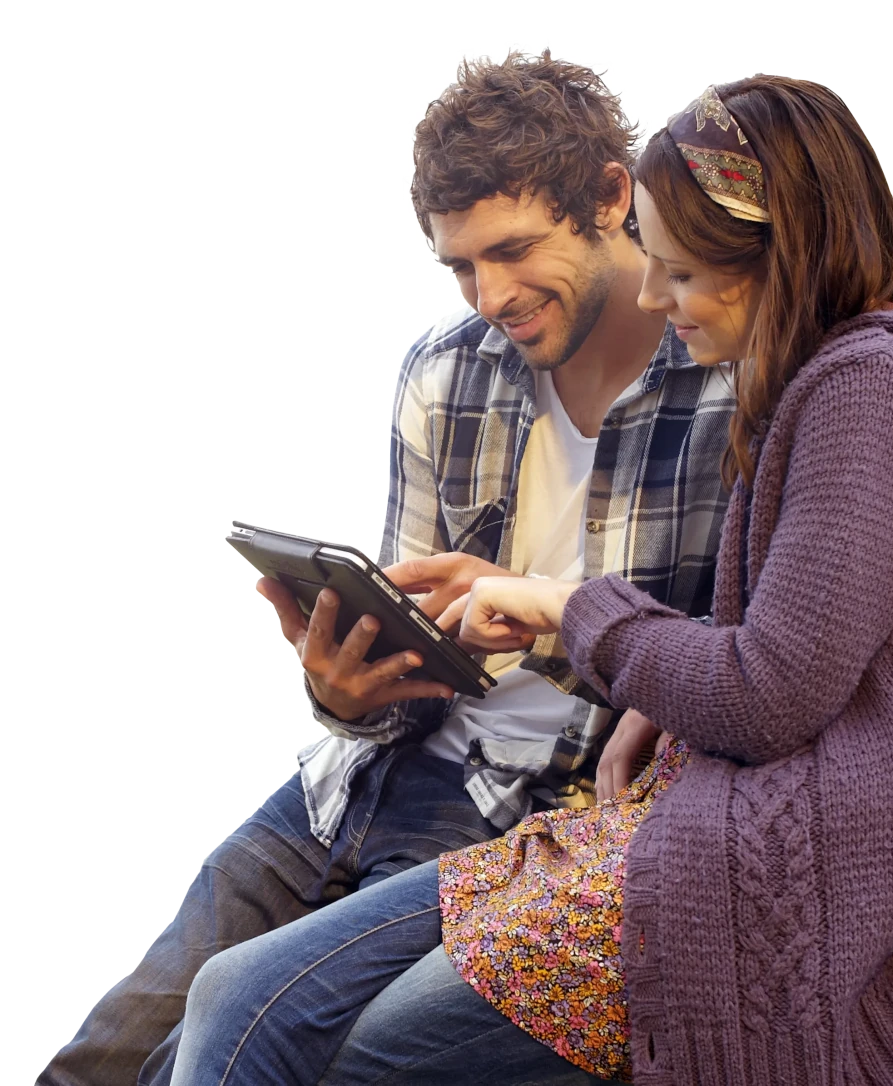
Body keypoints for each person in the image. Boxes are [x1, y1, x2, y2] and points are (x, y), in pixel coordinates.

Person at [167, 77, 893, 1086]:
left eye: (679, 272)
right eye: (462, 264)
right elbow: (778, 665)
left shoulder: (862, 391)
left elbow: (771, 694)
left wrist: (566, 609)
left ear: (777, 256)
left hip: (695, 854)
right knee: (222, 999)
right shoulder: (796, 390)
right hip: (600, 809)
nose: (655, 294)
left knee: (342, 1051)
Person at [38, 52, 738, 1086]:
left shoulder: (724, 391)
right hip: (354, 785)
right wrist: (345, 691)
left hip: (520, 816)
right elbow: (413, 662)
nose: (490, 294)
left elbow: (731, 680)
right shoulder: (445, 374)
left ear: (609, 197)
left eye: (511, 251)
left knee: (205, 1056)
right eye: (461, 266)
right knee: (108, 1051)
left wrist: (544, 622)